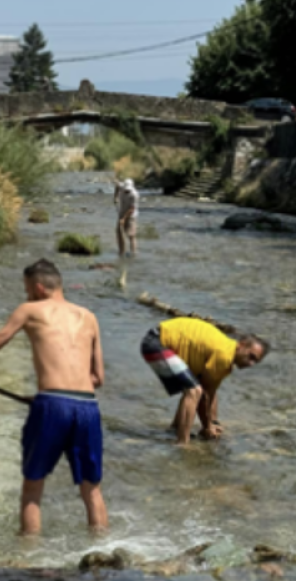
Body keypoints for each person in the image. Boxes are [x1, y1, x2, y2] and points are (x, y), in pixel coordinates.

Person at [0, 259, 107, 535]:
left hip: (51, 406)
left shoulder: (30, 309)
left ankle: (27, 561)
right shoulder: (89, 316)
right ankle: (103, 558)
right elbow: (98, 378)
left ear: (38, 288)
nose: (26, 296)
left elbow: (2, 337)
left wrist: (51, 397)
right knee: (91, 489)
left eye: (27, 290)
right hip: (87, 406)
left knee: (33, 487)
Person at [139, 317, 269, 445]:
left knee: (192, 388)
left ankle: (176, 428)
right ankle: (182, 443)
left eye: (255, 361)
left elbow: (211, 391)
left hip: (158, 341)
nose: (251, 364)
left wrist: (214, 423)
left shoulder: (227, 351)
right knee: (194, 391)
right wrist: (207, 427)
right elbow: (204, 395)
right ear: (241, 345)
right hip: (156, 343)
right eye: (251, 357)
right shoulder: (224, 355)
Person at [113, 178, 139, 258]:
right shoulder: (122, 186)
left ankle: (133, 253)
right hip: (121, 212)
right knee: (119, 233)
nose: (126, 191)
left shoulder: (134, 195)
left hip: (131, 216)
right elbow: (117, 185)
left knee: (131, 235)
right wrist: (115, 196)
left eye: (128, 190)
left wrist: (124, 219)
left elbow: (131, 209)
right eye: (125, 190)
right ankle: (121, 251)